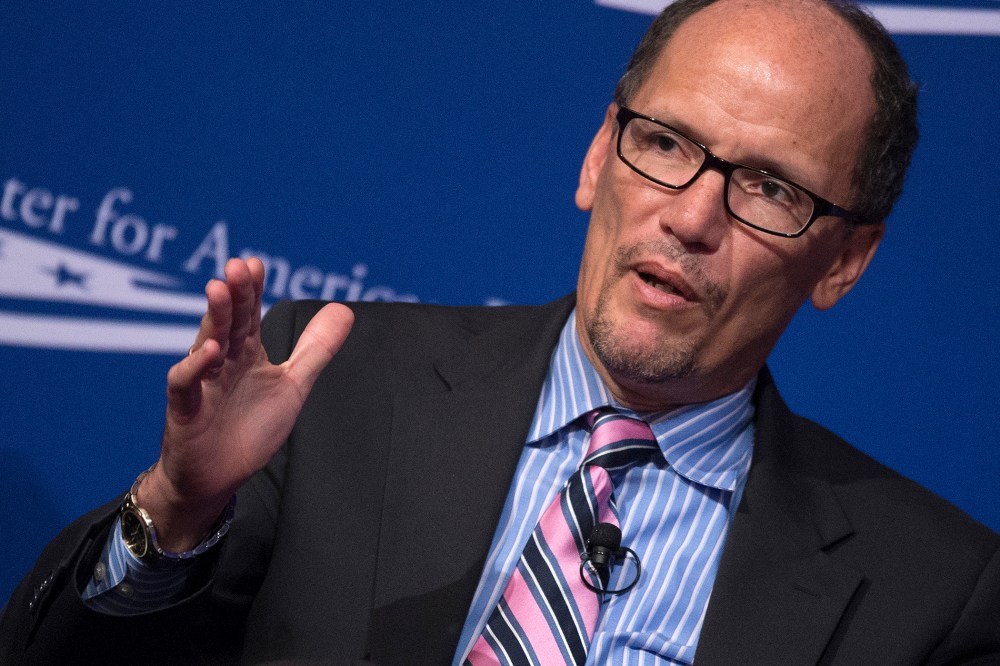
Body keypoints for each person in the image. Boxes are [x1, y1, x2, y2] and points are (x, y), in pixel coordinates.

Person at [2, 0, 998, 663]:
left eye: (768, 187)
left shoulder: (934, 593)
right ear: (597, 155)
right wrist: (176, 512)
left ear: (844, 259)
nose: (690, 217)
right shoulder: (335, 389)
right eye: (664, 145)